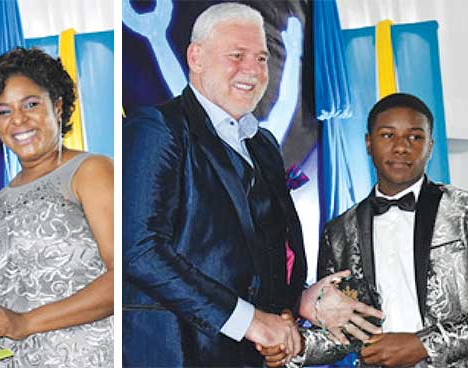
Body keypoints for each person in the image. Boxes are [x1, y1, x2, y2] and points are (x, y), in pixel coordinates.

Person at [122, 3, 384, 367]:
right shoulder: (156, 129)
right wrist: (251, 322)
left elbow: (267, 256)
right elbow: (139, 250)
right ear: (195, 58)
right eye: (237, 55)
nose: (253, 70)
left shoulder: (263, 146)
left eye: (261, 58)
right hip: (175, 353)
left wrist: (300, 301)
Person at [265, 93, 468, 367]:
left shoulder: (466, 210)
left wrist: (423, 345)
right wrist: (295, 345)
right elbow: (345, 329)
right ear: (369, 143)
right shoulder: (338, 233)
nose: (401, 147)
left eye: (415, 137)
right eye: (387, 135)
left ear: (430, 146)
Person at [0, 47, 113, 367]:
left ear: (57, 106)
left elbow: (124, 277)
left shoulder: (90, 170)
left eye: (31, 104)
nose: (19, 120)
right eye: (4, 111)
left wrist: (23, 322)